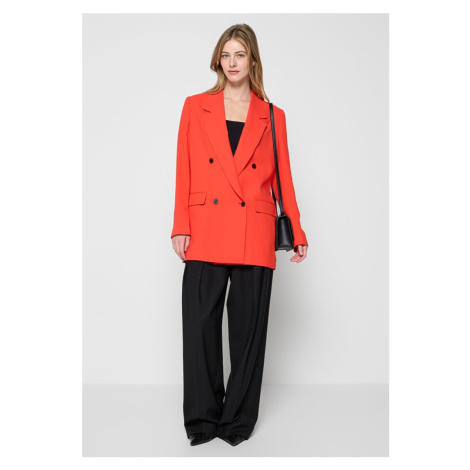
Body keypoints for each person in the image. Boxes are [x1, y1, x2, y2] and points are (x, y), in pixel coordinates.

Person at [171, 24, 309, 447]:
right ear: (218, 60)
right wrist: (180, 225)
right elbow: (184, 169)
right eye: (227, 54)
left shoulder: (272, 115)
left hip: (254, 227)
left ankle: (237, 421)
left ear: (253, 61)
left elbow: (283, 177)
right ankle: (202, 418)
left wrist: (296, 228)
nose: (233, 62)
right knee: (200, 325)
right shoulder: (196, 106)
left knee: (248, 332)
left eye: (241, 54)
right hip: (206, 225)